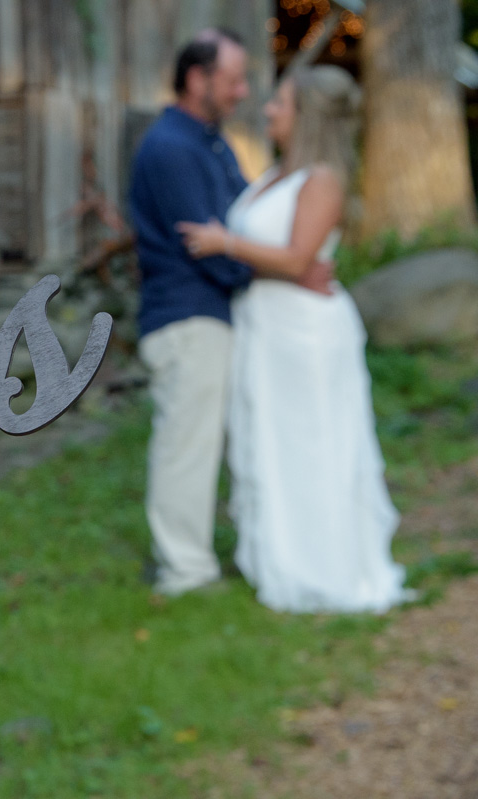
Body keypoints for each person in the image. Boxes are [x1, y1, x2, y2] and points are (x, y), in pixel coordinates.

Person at [177, 65, 409, 613]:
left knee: (312, 444)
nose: (268, 111)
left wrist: (224, 243)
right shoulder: (276, 175)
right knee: (269, 441)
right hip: (266, 324)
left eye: (279, 103)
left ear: (304, 116)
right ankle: (277, 558)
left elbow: (299, 258)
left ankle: (324, 565)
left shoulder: (322, 179)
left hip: (304, 334)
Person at [129, 29, 330, 596]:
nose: (244, 91)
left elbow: (241, 225)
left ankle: (239, 550)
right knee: (187, 445)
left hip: (219, 316)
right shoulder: (170, 148)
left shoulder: (209, 143)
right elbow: (208, 249)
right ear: (198, 80)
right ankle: (184, 571)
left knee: (223, 441)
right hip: (187, 318)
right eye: (234, 79)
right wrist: (290, 269)